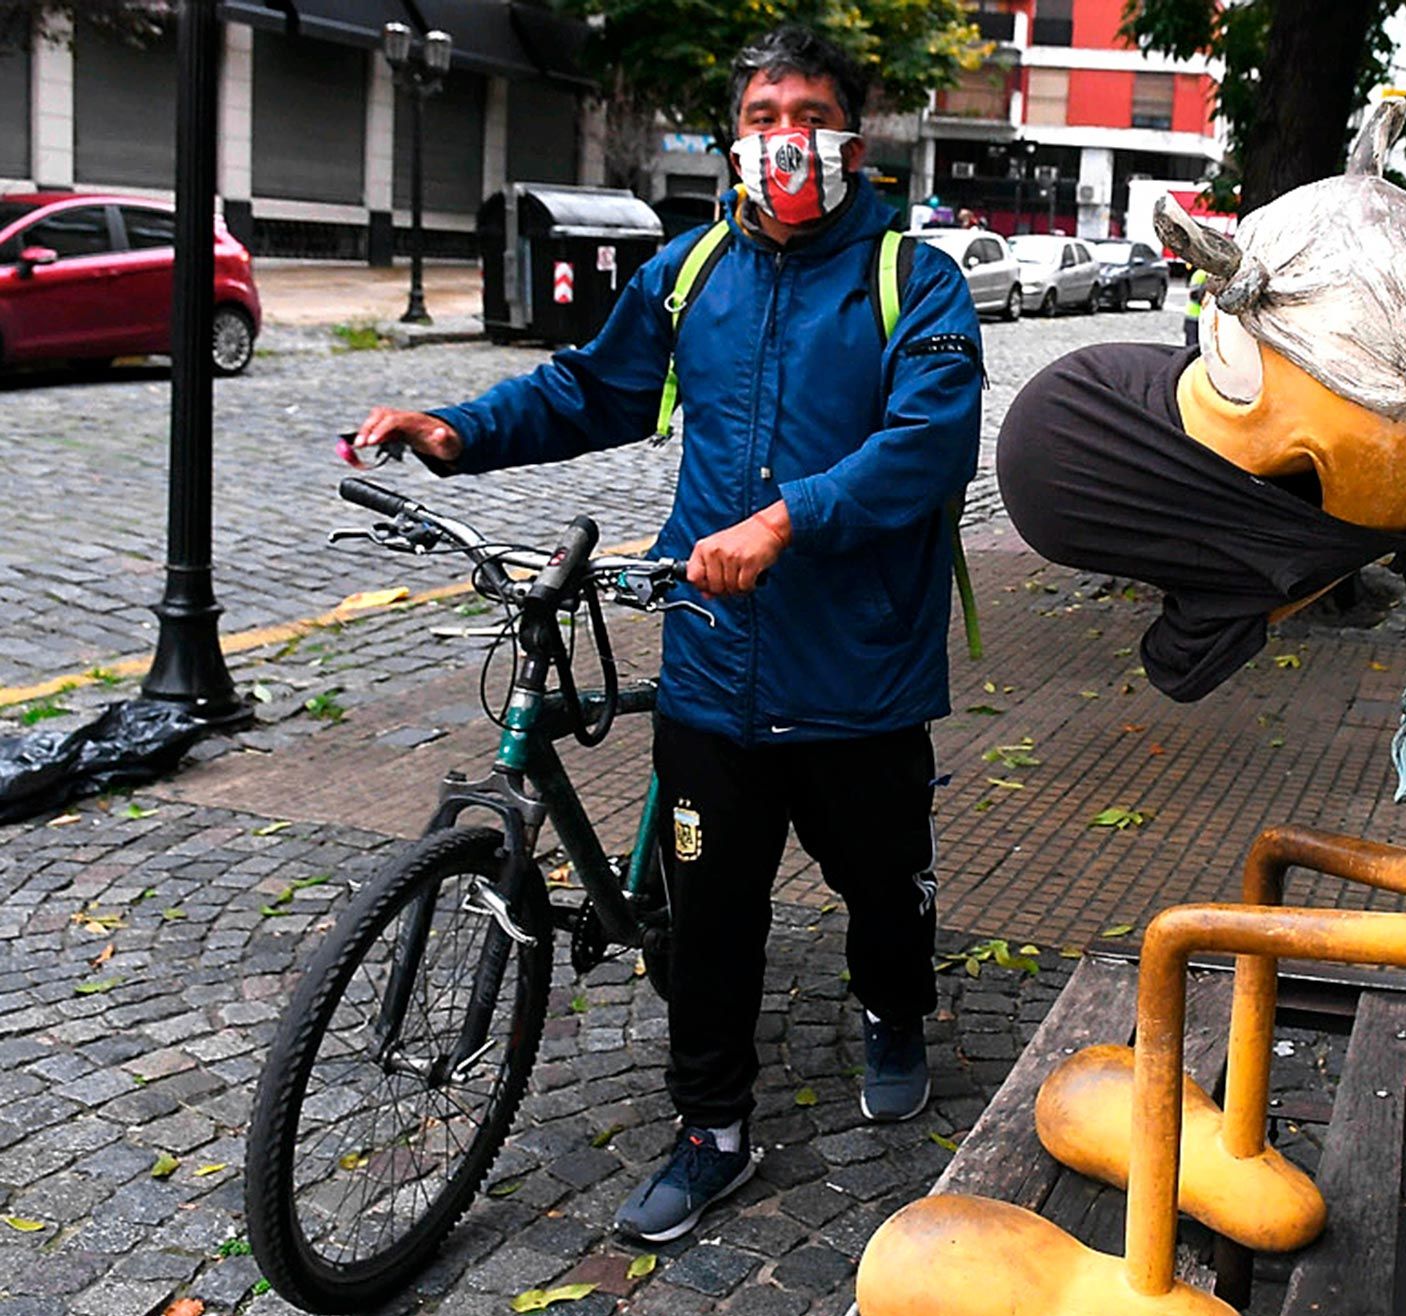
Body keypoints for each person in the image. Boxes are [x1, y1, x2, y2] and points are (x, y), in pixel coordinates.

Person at [344, 24, 982, 1244]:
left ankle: (892, 1007)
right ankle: (711, 1129)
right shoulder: (691, 272)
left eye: (806, 114)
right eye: (759, 117)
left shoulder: (916, 279)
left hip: (857, 673)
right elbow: (591, 385)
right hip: (708, 660)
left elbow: (928, 446)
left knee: (880, 890)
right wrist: (457, 429)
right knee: (709, 912)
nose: (783, 138)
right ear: (733, 139)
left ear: (852, 133)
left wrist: (788, 520)